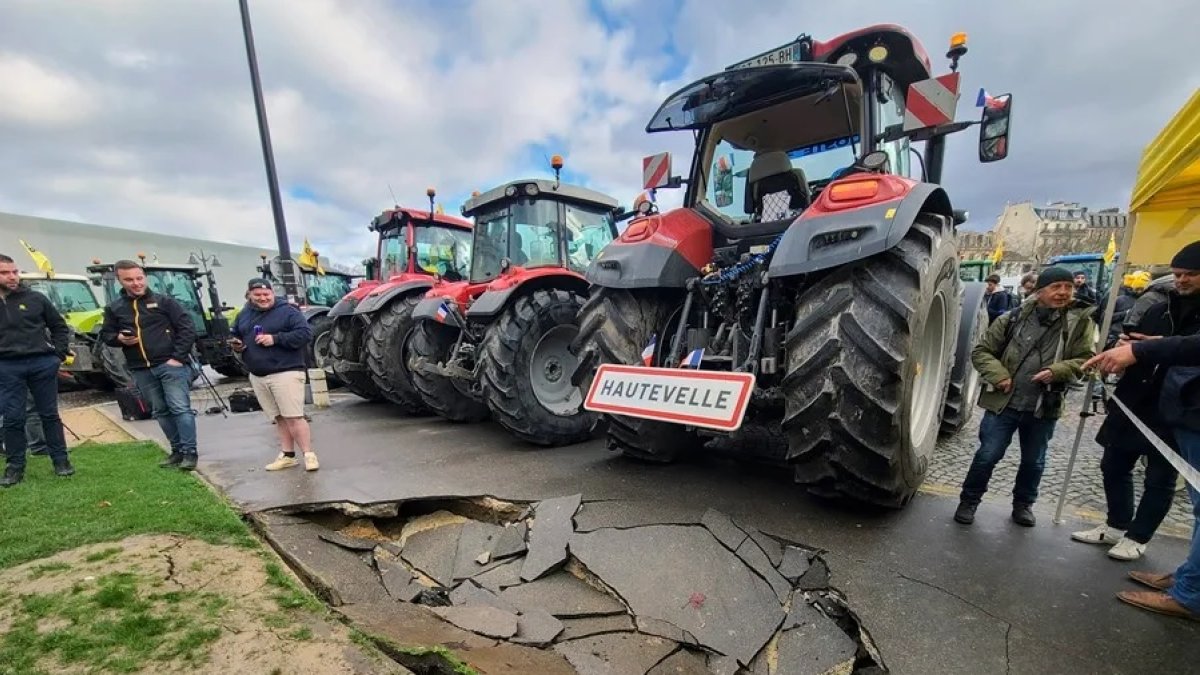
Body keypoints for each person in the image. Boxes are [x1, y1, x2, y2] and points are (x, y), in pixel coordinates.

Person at [1084, 245, 1200, 621]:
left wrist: (1149, 351)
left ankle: (1180, 584)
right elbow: (1137, 341)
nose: (1182, 280)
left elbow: (1185, 349)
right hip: (1141, 400)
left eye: (1190, 274)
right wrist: (1127, 348)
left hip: (1180, 407)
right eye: (1178, 273)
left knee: (1162, 479)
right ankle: (1183, 575)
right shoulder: (1157, 306)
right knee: (1113, 464)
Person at [954, 266, 1096, 526]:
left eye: (1068, 287)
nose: (1063, 292)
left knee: (1034, 461)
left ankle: (1023, 505)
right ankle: (969, 501)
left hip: (1044, 406)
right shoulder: (1012, 319)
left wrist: (1057, 370)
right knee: (987, 455)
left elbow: (1087, 360)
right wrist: (999, 375)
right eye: (1056, 287)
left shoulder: (1079, 322)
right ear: (1040, 291)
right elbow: (982, 351)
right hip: (1004, 403)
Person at [99, 259, 199, 470]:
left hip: (169, 365)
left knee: (180, 408)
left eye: (139, 278)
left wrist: (177, 358)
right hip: (141, 368)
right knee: (160, 411)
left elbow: (187, 328)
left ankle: (190, 453)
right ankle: (176, 450)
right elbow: (106, 335)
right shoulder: (114, 308)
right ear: (120, 280)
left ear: (145, 277)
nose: (136, 283)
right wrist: (120, 339)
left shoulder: (164, 302)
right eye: (129, 280)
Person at [0, 253, 73, 487]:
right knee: (12, 418)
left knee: (49, 414)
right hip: (7, 366)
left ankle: (61, 461)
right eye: (4, 273)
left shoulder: (35, 299)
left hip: (41, 363)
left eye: (14, 271)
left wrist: (58, 356)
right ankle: (15, 467)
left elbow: (59, 327)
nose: (12, 277)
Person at [230, 279, 317, 472]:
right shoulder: (244, 314)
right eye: (258, 295)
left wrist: (275, 339)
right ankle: (288, 455)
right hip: (258, 375)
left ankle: (309, 455)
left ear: (272, 293)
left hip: (285, 371)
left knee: (294, 416)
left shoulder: (288, 311)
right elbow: (236, 333)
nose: (263, 298)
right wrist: (237, 344)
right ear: (250, 295)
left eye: (266, 294)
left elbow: (305, 334)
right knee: (279, 417)